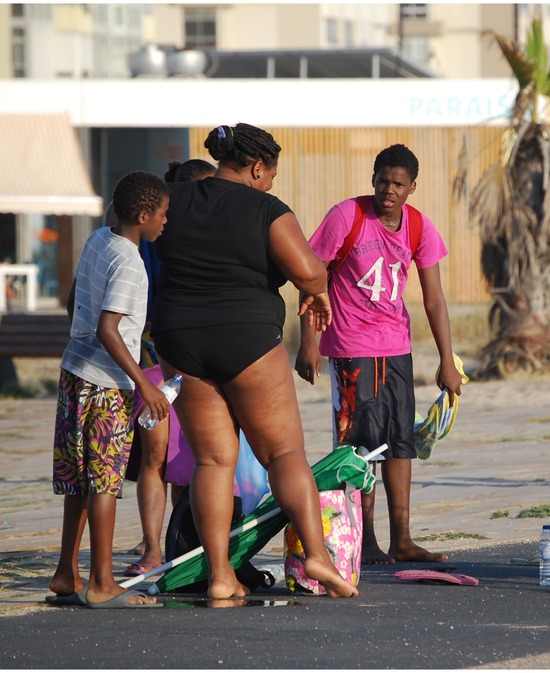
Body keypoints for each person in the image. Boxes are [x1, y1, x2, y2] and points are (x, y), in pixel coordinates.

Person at [151, 122, 359, 599]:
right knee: (283, 454)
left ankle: (221, 576)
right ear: (257, 167)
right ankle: (318, 557)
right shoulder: (265, 207)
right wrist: (316, 292)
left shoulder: (173, 199)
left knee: (212, 461)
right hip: (245, 337)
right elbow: (309, 269)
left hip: (179, 340)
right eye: (270, 175)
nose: (270, 183)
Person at [294, 144, 464, 565]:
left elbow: (435, 299)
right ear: (373, 179)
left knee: (400, 444)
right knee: (359, 445)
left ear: (412, 188)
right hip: (351, 348)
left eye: (398, 184)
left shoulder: (419, 227)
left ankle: (402, 537)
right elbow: (310, 277)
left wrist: (447, 359)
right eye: (383, 181)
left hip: (398, 348)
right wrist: (308, 343)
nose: (389, 190)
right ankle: (364, 539)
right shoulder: (346, 216)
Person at [47, 170, 171, 608]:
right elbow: (110, 328)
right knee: (105, 481)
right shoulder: (132, 264)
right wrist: (145, 386)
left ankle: (67, 571)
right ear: (143, 215)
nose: (165, 222)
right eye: (162, 214)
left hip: (74, 372)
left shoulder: (99, 240)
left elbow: (74, 300)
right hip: (106, 386)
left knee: (79, 479)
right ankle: (101, 582)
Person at [124, 158, 217, 577]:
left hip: (199, 354)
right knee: (156, 455)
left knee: (193, 456)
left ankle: (185, 543)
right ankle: (153, 547)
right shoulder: (149, 237)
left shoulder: (213, 233)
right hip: (151, 355)